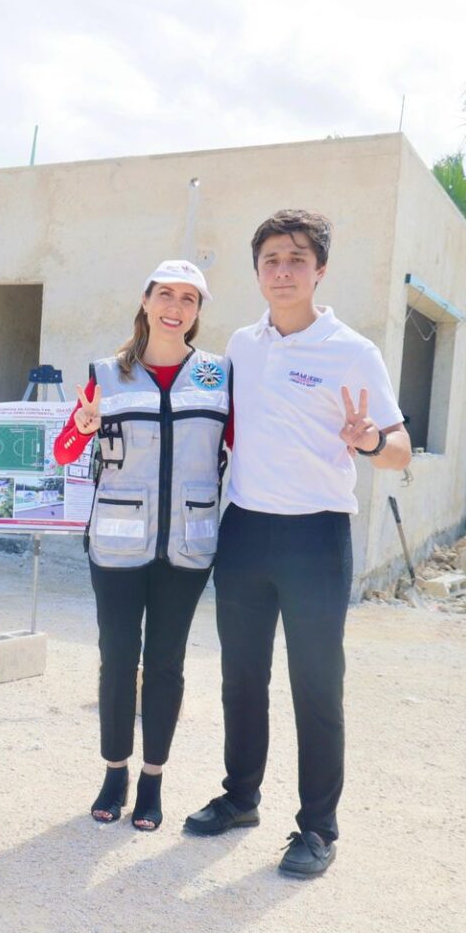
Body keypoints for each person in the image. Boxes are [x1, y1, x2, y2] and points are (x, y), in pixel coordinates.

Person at [181, 210, 412, 877]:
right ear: (257, 272)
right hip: (246, 529)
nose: (282, 272)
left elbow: (398, 448)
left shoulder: (352, 351)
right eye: (271, 260)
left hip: (316, 535)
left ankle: (317, 828)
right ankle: (239, 797)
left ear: (320, 270)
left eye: (296, 259)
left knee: (316, 684)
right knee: (241, 677)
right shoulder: (241, 346)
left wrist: (368, 440)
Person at [54, 260, 230, 832]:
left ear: (198, 311)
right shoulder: (106, 374)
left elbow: (247, 447)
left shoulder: (217, 377)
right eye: (165, 295)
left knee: (166, 666)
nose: (175, 307)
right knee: (117, 664)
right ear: (146, 300)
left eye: (188, 298)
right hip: (117, 546)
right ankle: (114, 773)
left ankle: (153, 779)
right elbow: (62, 451)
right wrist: (81, 424)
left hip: (188, 545)